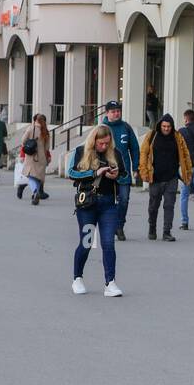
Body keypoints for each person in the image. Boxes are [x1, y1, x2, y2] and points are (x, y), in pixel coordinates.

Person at [67, 124, 124, 297]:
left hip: (108, 205)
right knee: (87, 243)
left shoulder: (115, 153)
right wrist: (95, 172)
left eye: (107, 143)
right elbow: (71, 173)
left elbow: (126, 175)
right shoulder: (80, 152)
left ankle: (110, 283)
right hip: (88, 205)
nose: (104, 147)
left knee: (108, 243)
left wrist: (116, 175)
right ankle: (77, 278)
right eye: (101, 143)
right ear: (94, 141)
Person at [139, 113, 193, 241]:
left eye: (168, 126)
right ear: (160, 125)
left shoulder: (177, 137)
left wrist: (188, 172)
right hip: (155, 178)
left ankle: (166, 232)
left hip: (171, 178)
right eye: (164, 126)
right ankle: (152, 227)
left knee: (169, 205)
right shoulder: (152, 136)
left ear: (172, 126)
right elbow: (144, 154)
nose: (166, 129)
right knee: (153, 206)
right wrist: (144, 172)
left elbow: (185, 155)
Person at [101, 100, 140, 241]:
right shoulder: (102, 128)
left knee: (124, 200)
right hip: (106, 172)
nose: (116, 113)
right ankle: (109, 226)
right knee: (109, 201)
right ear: (107, 113)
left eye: (118, 110)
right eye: (113, 111)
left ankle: (119, 226)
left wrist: (136, 168)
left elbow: (135, 148)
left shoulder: (126, 127)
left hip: (123, 173)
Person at [17, 114, 52, 205]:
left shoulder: (31, 128)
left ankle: (35, 191)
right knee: (38, 177)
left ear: (35, 120)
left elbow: (23, 140)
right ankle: (37, 192)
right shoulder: (46, 131)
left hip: (31, 156)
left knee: (30, 176)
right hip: (42, 157)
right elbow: (47, 147)